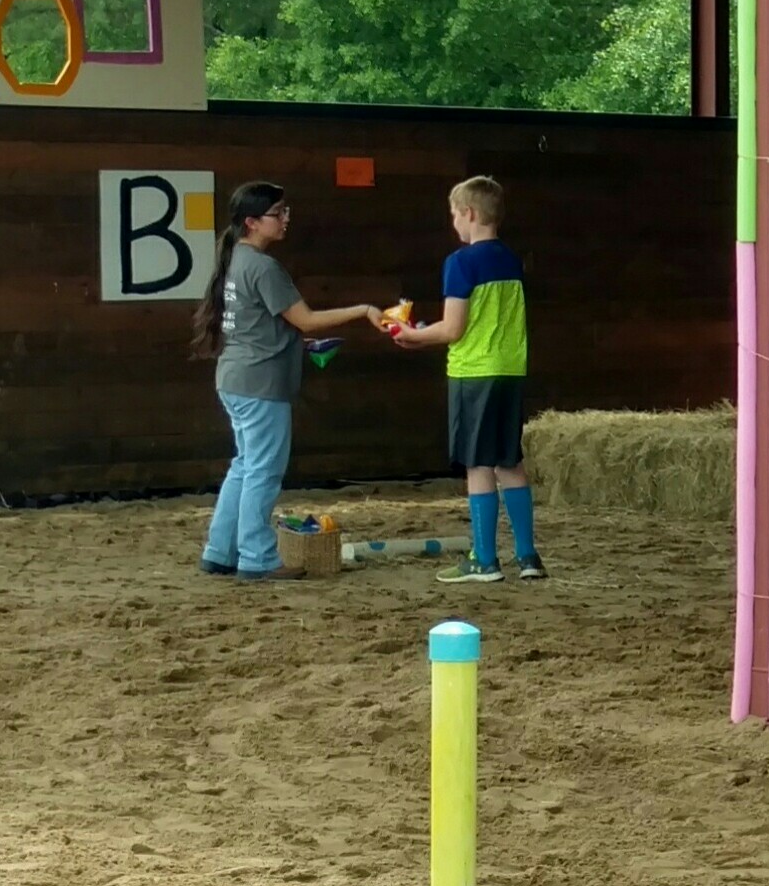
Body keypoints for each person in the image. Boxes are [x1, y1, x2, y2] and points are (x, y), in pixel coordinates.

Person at [192, 182, 384, 582]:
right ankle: (257, 558)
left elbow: (265, 322)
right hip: (261, 382)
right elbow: (306, 319)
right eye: (277, 213)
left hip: (235, 375)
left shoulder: (234, 259)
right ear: (251, 222)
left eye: (285, 211)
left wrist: (295, 341)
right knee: (262, 470)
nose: (285, 220)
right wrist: (363, 310)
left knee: (244, 467)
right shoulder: (263, 266)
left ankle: (220, 550)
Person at [388, 175, 545, 584]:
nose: (454, 223)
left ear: (469, 214)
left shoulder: (460, 262)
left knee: (478, 464)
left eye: (455, 215)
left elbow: (452, 329)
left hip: (474, 371)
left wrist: (412, 336)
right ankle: (527, 556)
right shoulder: (511, 259)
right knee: (509, 460)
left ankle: (485, 559)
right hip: (510, 369)